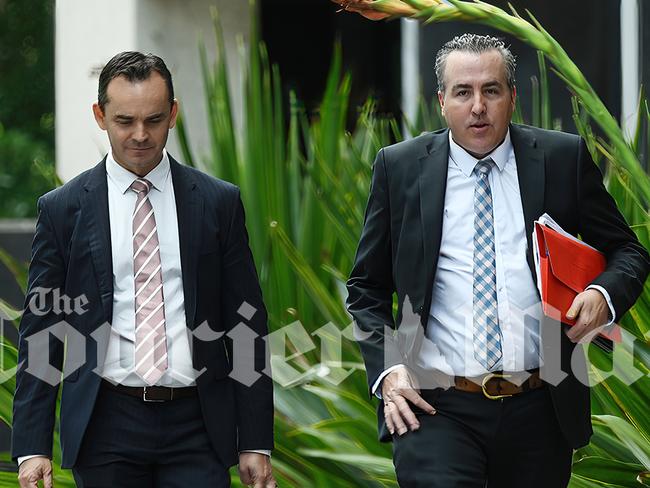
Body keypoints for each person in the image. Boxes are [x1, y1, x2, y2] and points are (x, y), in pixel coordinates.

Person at [346, 34, 650, 487]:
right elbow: (366, 289)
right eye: (463, 92)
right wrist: (389, 372)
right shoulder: (400, 167)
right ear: (441, 101)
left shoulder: (560, 159)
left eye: (491, 90)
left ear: (512, 96)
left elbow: (628, 250)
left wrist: (603, 294)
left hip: (540, 403)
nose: (478, 107)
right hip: (436, 405)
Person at [12, 51, 276, 488]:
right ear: (100, 115)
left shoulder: (217, 202)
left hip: (198, 424)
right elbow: (42, 332)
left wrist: (255, 440)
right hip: (105, 423)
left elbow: (246, 322)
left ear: (173, 114)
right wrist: (33, 446)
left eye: (153, 120)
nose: (139, 135)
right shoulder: (63, 210)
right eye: (124, 121)